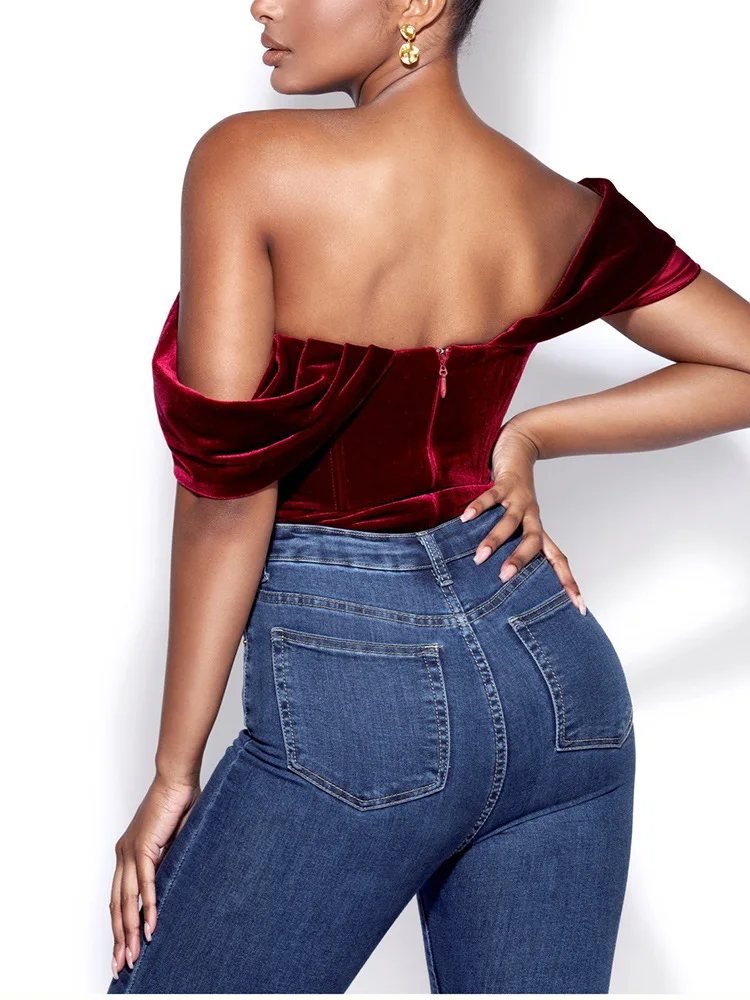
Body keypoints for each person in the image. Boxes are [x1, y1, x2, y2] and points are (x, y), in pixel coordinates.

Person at [106, 0, 750, 994]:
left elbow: (228, 500)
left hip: (358, 705)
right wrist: (527, 436)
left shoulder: (249, 163)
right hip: (561, 687)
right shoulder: (546, 204)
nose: (262, 4)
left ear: (418, 4)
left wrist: (172, 774)